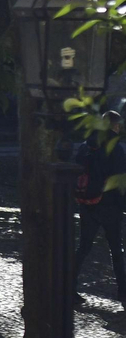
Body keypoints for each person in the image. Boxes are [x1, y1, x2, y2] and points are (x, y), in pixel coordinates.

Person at [75, 111, 126, 311]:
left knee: (84, 246)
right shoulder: (115, 148)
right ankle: (123, 290)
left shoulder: (86, 145)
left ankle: (69, 286)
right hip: (110, 204)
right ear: (115, 126)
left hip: (87, 202)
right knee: (116, 249)